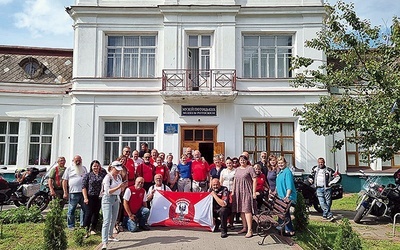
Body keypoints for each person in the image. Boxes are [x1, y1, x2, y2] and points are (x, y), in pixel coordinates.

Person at [101, 161, 128, 250]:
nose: (118, 172)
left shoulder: (119, 176)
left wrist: (123, 187)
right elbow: (107, 191)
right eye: (116, 170)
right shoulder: (107, 177)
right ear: (112, 168)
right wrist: (119, 187)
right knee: (107, 220)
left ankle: (110, 235)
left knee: (114, 219)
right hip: (107, 199)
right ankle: (104, 242)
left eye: (119, 170)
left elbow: (120, 189)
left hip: (116, 198)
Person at [231, 155, 257, 238]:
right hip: (239, 192)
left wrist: (253, 192)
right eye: (241, 160)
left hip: (247, 191)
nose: (242, 161)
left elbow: (255, 179)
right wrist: (233, 191)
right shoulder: (237, 169)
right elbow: (235, 180)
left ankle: (250, 230)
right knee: (241, 210)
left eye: (244, 160)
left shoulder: (250, 168)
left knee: (247, 210)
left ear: (247, 160)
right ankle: (244, 227)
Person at [62, 155, 88, 229]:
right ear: (73, 161)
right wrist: (65, 192)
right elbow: (64, 180)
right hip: (73, 192)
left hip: (83, 192)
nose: (78, 161)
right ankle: (71, 225)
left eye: (79, 160)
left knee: (84, 209)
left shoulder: (84, 168)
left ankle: (83, 224)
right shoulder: (69, 169)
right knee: (71, 209)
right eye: (76, 160)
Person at [82, 160, 106, 237]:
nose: (96, 167)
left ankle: (93, 228)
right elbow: (84, 187)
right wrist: (85, 197)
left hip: (99, 197)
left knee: (96, 213)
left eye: (97, 166)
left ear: (100, 167)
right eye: (94, 166)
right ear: (91, 167)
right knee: (88, 213)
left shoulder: (103, 175)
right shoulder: (88, 175)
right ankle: (85, 229)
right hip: (89, 196)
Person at [275, 156, 296, 236]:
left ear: (285, 163)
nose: (280, 164)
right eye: (279, 163)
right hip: (281, 196)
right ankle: (283, 228)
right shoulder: (280, 172)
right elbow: (278, 185)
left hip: (287, 197)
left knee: (285, 213)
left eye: (282, 163)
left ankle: (290, 230)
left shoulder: (287, 172)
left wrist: (287, 196)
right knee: (283, 213)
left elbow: (289, 186)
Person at [219, 157, 236, 228]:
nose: (229, 164)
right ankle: (224, 222)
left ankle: (231, 223)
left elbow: (235, 182)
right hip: (224, 191)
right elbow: (221, 181)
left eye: (230, 163)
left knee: (231, 206)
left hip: (232, 190)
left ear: (232, 163)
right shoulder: (223, 171)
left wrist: (234, 191)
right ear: (225, 164)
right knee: (224, 206)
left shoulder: (235, 171)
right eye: (227, 163)